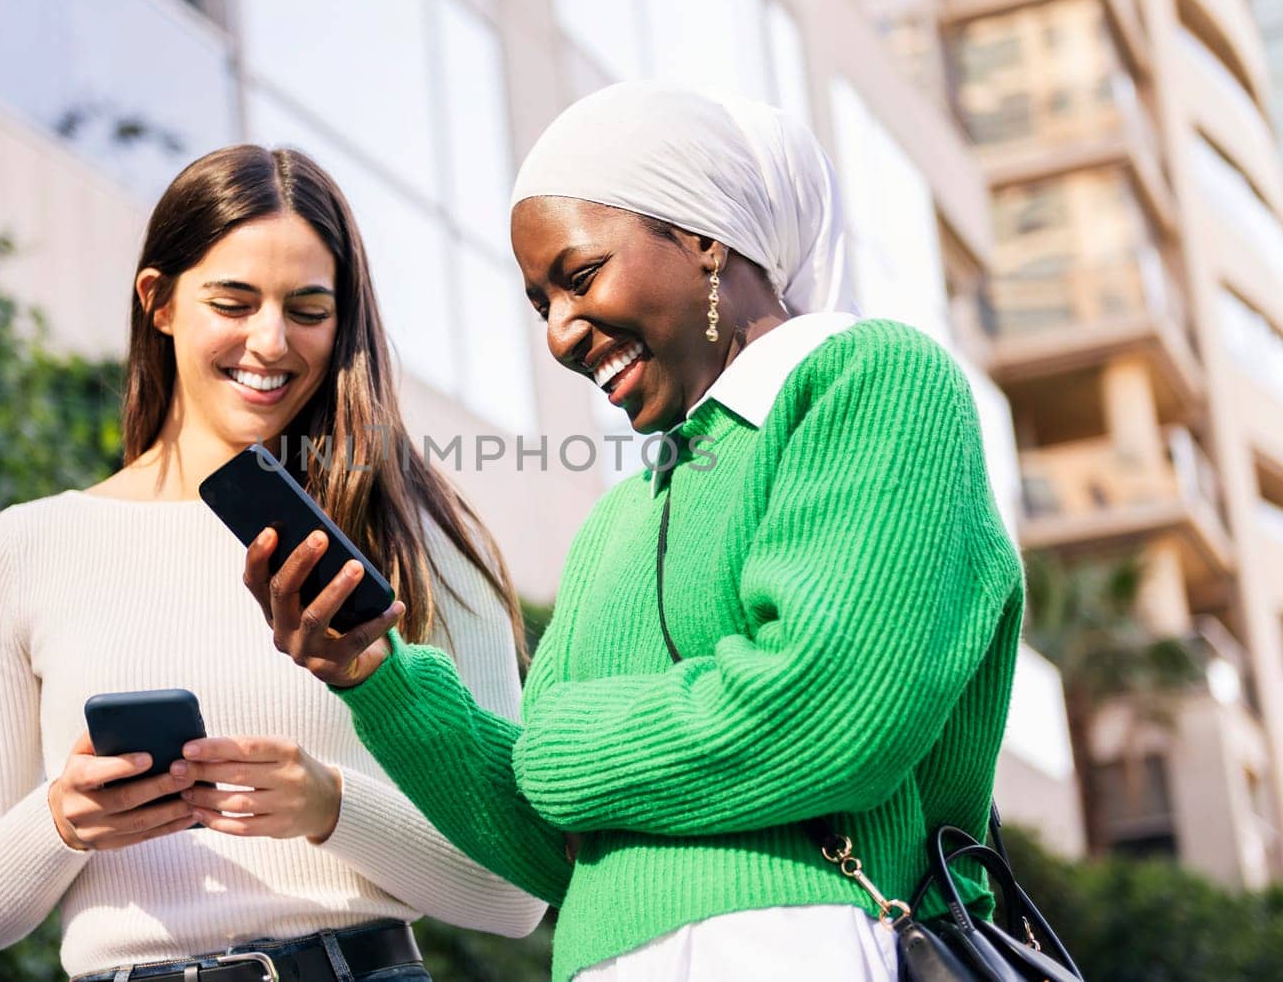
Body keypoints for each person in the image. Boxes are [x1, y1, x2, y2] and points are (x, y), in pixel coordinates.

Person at [244, 83, 1024, 982]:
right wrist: (373, 677)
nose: (562, 333)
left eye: (578, 277)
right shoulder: (619, 519)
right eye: (541, 304)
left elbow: (826, 715)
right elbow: (554, 845)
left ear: (702, 236)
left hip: (807, 944)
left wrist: (554, 743)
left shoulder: (872, 382)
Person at [0, 145, 546, 981]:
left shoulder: (416, 537)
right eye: (234, 301)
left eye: (308, 309)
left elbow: (515, 891)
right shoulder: (20, 551)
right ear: (160, 301)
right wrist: (61, 819)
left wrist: (329, 806)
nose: (271, 341)